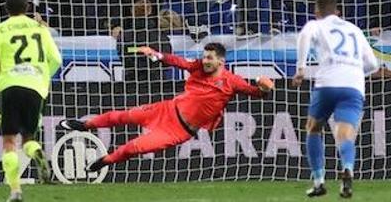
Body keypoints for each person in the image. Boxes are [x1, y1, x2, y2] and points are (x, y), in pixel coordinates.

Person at [60, 42, 274, 171]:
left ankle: (104, 161)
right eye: (204, 56)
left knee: (134, 147)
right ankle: (84, 125)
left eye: (210, 58)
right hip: (167, 109)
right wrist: (157, 54)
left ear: (221, 61)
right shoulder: (198, 67)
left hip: (178, 130)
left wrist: (265, 88)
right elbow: (180, 62)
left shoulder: (232, 81)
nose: (205, 60)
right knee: (123, 116)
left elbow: (257, 94)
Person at [293, 0, 379, 199]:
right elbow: (374, 65)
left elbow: (304, 36)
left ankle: (319, 181)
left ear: (317, 11)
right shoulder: (355, 30)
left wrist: (301, 68)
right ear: (338, 12)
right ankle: (348, 168)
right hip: (354, 85)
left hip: (328, 82)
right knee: (346, 134)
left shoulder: (316, 25)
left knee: (313, 128)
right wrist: (355, 71)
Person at [0, 0, 61, 201]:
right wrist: (43, 79)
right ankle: (37, 152)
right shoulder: (40, 28)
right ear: (27, 8)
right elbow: (56, 59)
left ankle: (15, 190)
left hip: (9, 85)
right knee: (29, 137)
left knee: (9, 141)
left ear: (6, 8)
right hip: (35, 86)